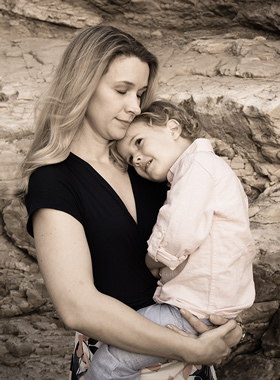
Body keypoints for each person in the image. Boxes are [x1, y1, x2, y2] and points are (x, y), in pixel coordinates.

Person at [16, 26, 242, 380]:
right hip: (119, 361)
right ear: (83, 84)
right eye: (122, 90)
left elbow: (215, 245)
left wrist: (228, 325)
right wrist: (191, 347)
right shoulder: (54, 180)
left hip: (190, 359)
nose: (134, 106)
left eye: (140, 93)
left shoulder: (150, 165)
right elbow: (77, 307)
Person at [86, 99, 256, 380]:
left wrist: (155, 257)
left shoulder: (197, 168)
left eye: (139, 142)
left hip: (192, 309)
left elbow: (180, 227)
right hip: (203, 307)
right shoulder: (205, 169)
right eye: (131, 159)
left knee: (108, 365)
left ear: (173, 128)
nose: (137, 159)